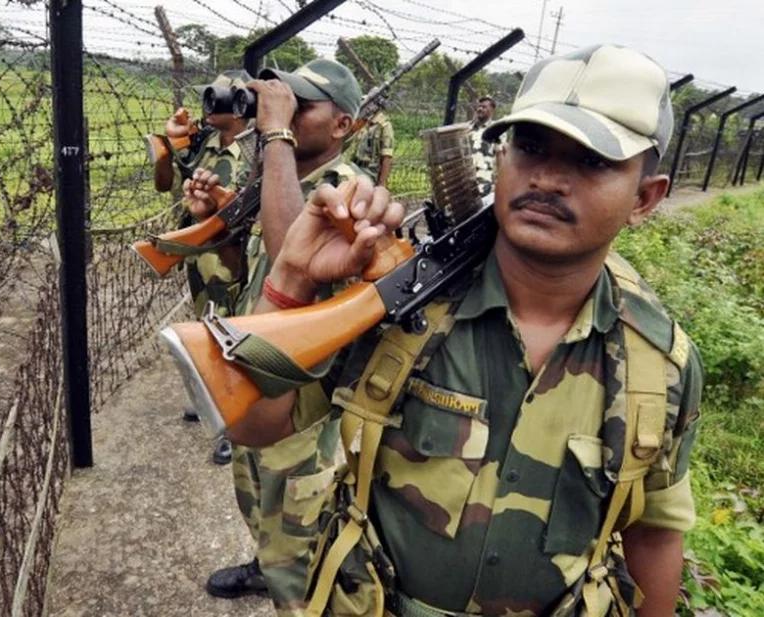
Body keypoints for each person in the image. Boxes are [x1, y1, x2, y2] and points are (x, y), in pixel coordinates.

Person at [227, 44, 702, 617]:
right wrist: (294, 281)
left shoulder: (658, 362)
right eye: (530, 146)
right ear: (502, 159)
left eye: (591, 160)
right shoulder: (402, 300)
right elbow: (255, 425)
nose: (548, 178)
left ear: (646, 198)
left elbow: (655, 532)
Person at [181, 58, 367, 601]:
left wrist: (275, 135)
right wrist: (214, 227)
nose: (277, 110)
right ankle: (265, 564)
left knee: (303, 546)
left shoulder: (345, 192)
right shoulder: (281, 184)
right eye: (279, 101)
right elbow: (250, 278)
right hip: (258, 387)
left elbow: (295, 256)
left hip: (301, 412)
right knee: (256, 500)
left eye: (300, 106)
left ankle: (288, 581)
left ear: (343, 126)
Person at [155, 70, 251, 465]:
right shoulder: (202, 143)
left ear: (241, 104)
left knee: (234, 340)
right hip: (200, 258)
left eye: (219, 98)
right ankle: (207, 398)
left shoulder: (260, 151)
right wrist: (166, 143)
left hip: (237, 259)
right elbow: (164, 184)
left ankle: (233, 424)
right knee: (205, 329)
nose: (209, 104)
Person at [343, 98, 394, 186]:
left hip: (369, 171)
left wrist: (381, 184)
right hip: (354, 165)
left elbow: (387, 157)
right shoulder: (363, 122)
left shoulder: (384, 126)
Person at [470, 95, 498, 196]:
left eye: (484, 107)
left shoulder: (496, 129)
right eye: (479, 106)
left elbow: (499, 155)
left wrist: (497, 181)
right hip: (467, 177)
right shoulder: (469, 128)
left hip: (484, 179)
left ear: (492, 110)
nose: (480, 109)